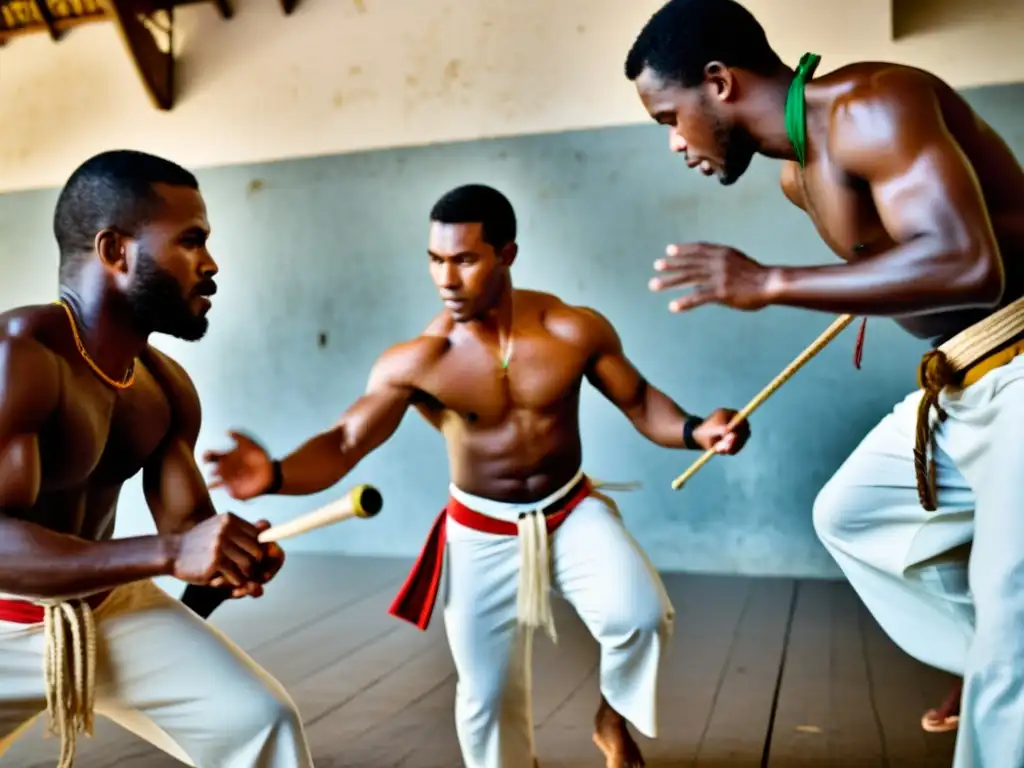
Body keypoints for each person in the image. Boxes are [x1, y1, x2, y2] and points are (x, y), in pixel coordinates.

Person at [204, 183, 751, 768]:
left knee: (641, 616)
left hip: (570, 511)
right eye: (436, 260)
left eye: (464, 260)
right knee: (485, 699)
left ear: (507, 255)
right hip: (481, 530)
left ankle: (610, 722)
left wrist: (697, 430)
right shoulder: (421, 360)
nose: (446, 278)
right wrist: (276, 473)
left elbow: (642, 402)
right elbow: (344, 441)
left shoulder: (572, 330)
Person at [622, 1, 1024, 765]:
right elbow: (908, 276)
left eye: (671, 117)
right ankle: (987, 659)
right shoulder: (797, 178)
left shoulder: (874, 104)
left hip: (1021, 363)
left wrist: (772, 280)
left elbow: (973, 268)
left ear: (719, 82)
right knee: (853, 517)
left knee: (1014, 646)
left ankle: (1002, 665)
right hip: (965, 382)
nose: (676, 143)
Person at [0, 149, 314, 768]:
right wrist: (171, 554)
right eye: (190, 242)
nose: (211, 265)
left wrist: (230, 554)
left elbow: (186, 531)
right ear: (117, 252)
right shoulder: (20, 358)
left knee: (261, 723)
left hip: (105, 609)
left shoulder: (165, 387)